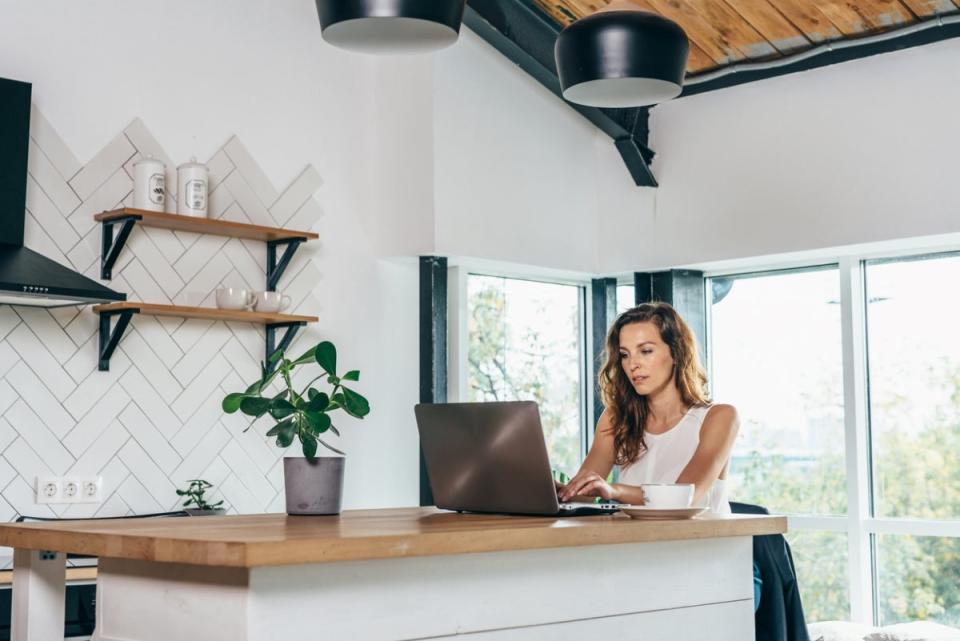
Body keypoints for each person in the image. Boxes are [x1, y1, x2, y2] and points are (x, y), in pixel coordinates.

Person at [557, 301, 739, 513]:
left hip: (707, 544)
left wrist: (614, 491)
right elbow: (583, 495)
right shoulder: (616, 418)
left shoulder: (720, 417)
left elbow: (683, 497)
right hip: (640, 542)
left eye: (645, 351)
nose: (633, 364)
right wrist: (558, 491)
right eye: (625, 354)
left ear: (676, 352)